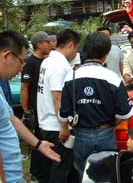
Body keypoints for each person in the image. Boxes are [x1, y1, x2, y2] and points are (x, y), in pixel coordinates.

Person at [59, 31, 133, 179]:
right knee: (108, 175)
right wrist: (111, 123)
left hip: (81, 135)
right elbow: (126, 113)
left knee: (83, 174)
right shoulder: (113, 78)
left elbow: (63, 114)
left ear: (85, 50)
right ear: (106, 53)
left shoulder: (70, 77)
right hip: (106, 134)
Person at [0, 30, 60, 183]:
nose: (21, 68)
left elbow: (11, 119)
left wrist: (38, 144)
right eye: (21, 61)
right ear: (7, 56)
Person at [37, 29, 81, 182]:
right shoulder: (59, 65)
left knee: (61, 165)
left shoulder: (48, 60)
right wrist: (64, 126)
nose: (76, 53)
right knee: (60, 167)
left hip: (47, 122)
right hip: (56, 126)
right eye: (76, 48)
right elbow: (58, 98)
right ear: (70, 45)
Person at [20, 31, 53, 182]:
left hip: (46, 108)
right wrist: (27, 111)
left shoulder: (47, 62)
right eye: (47, 42)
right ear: (39, 44)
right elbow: (24, 89)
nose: (50, 44)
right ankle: (36, 173)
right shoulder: (30, 64)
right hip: (36, 109)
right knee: (38, 141)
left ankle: (45, 170)